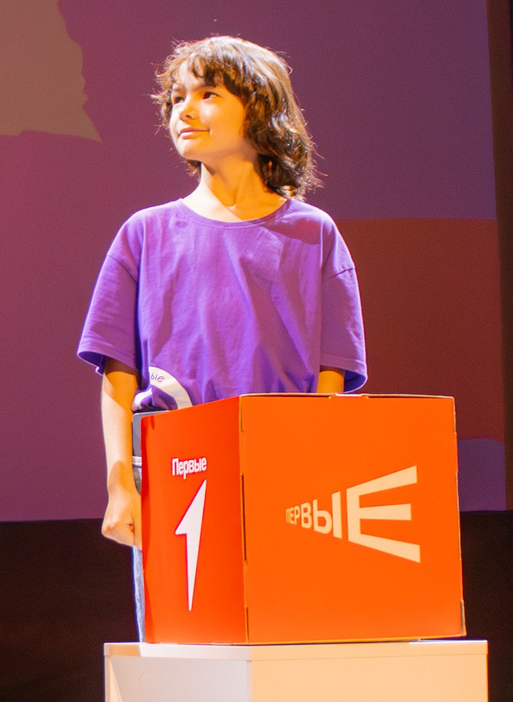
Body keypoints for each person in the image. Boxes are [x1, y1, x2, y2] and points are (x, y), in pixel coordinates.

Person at [77, 37, 365, 554]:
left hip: (287, 478)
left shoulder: (313, 235)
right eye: (175, 98)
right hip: (172, 476)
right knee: (186, 633)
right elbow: (117, 377)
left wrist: (314, 480)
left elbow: (331, 382)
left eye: (207, 93)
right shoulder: (144, 235)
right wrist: (120, 484)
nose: (184, 109)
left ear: (259, 107)